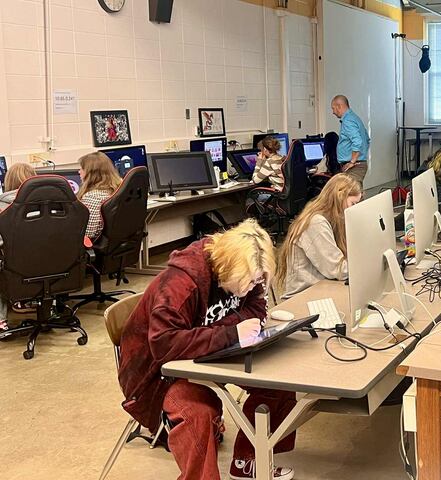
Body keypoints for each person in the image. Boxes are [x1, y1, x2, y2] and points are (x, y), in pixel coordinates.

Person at [117, 219, 296, 480]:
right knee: (197, 411)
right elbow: (164, 344)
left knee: (278, 384)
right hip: (160, 373)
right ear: (228, 269)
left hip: (209, 355)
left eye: (258, 280)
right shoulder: (182, 282)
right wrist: (230, 333)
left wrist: (220, 335)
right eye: (248, 282)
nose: (252, 287)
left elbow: (256, 310)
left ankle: (247, 461)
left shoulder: (249, 268)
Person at [275, 174, 362, 298]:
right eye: (353, 203)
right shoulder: (316, 222)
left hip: (323, 286)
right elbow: (337, 269)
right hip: (305, 295)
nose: (354, 209)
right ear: (339, 197)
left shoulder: (332, 217)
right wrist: (367, 263)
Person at [0, 163, 37, 332]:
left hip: (14, 268)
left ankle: (1, 321)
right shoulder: (50, 201)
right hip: (51, 264)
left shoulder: (2, 206)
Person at [76, 152, 122, 241]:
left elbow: (88, 233)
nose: (79, 172)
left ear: (91, 173)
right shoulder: (120, 186)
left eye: (82, 169)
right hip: (115, 242)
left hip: (95, 244)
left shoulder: (92, 197)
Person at [331, 95, 370, 184]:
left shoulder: (348, 120)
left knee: (352, 195)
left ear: (339, 106)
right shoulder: (354, 118)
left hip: (354, 166)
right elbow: (367, 139)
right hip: (358, 164)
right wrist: (361, 156)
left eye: (333, 108)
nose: (333, 112)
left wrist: (353, 161)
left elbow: (357, 141)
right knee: (355, 194)